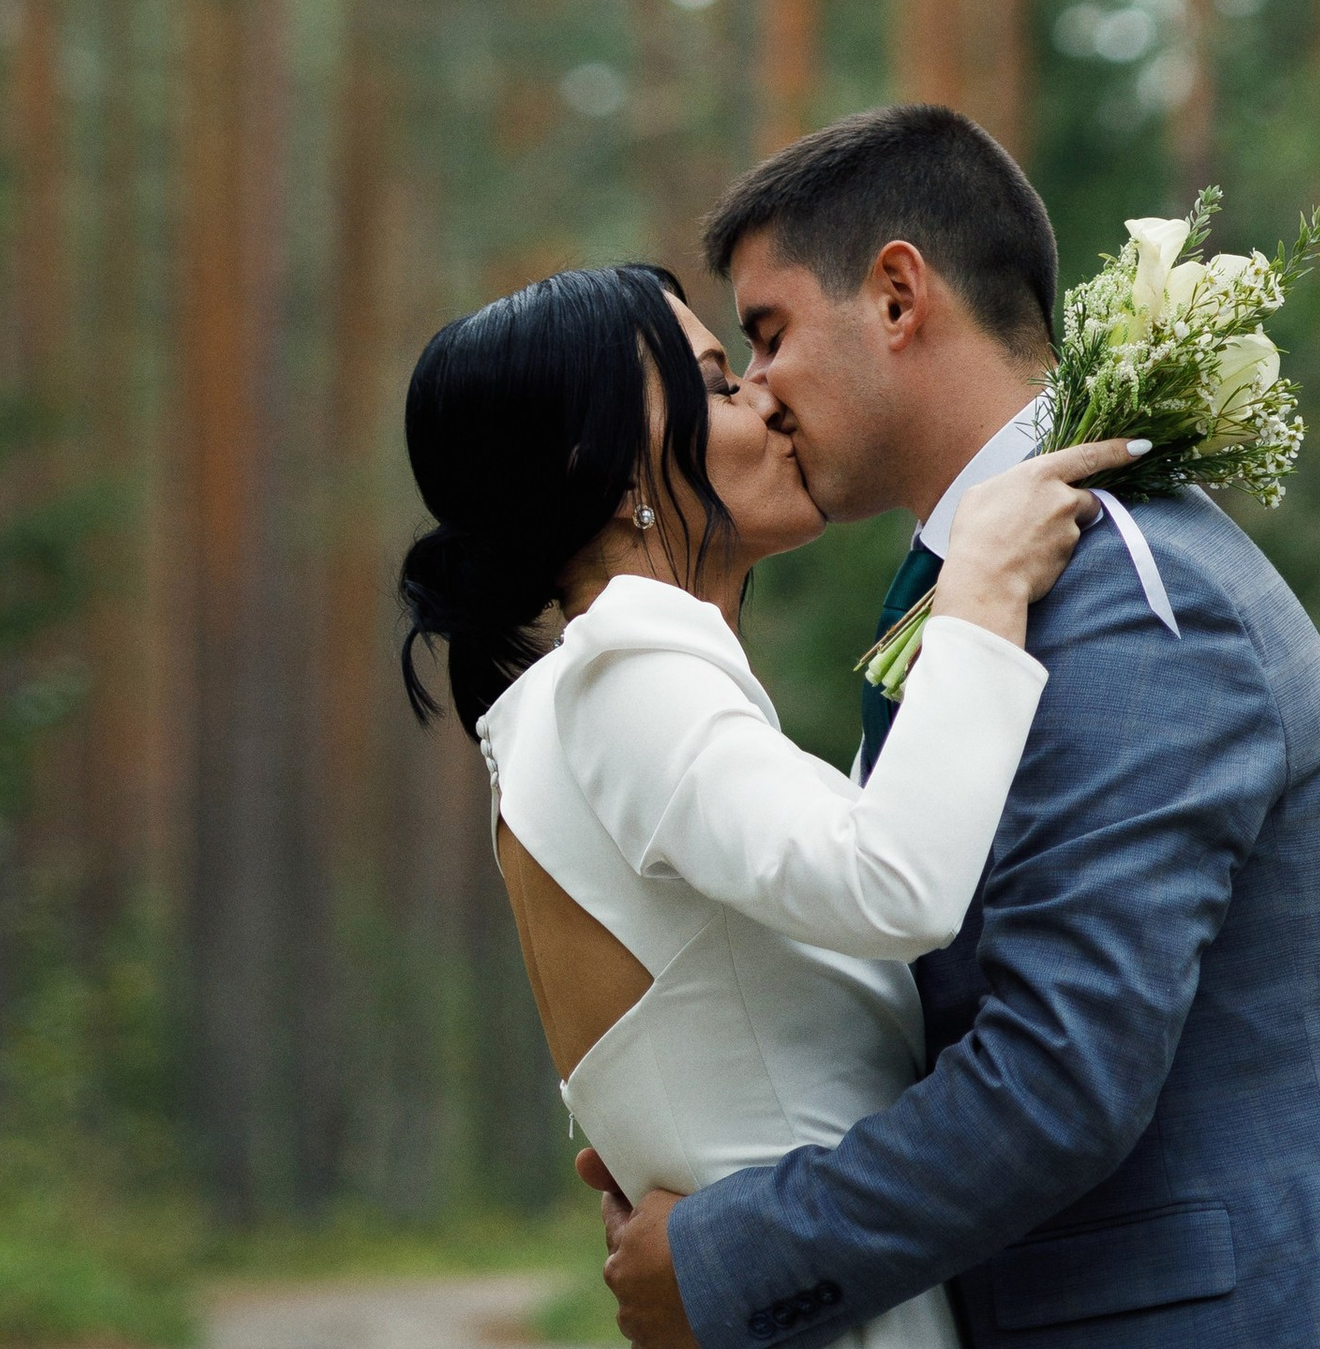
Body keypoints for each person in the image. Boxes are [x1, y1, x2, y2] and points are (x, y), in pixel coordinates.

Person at [596, 107, 1320, 1349]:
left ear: (898, 296)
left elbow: (1061, 1076)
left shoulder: (1132, 596)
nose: (758, 393)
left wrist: (732, 1257)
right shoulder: (1000, 592)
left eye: (769, 333)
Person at [399, 259, 1136, 1349]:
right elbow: (895, 886)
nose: (768, 398)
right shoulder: (624, 670)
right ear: (599, 468)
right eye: (714, 379)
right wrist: (982, 583)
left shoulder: (573, 703)